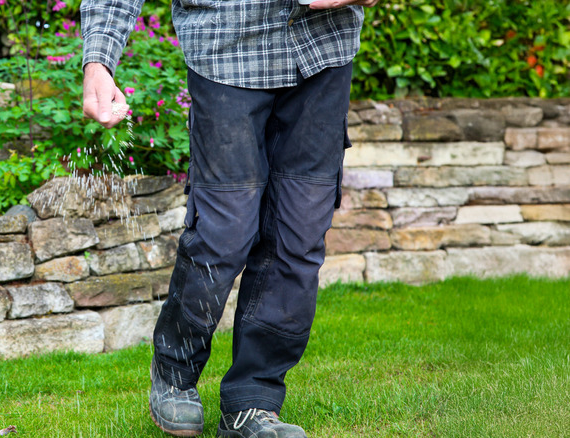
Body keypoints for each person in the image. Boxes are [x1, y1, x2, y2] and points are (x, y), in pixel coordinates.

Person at [81, 0, 379, 436]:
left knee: (299, 235)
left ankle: (251, 402)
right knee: (225, 230)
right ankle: (174, 374)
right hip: (227, 48)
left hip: (322, 49)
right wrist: (99, 59)